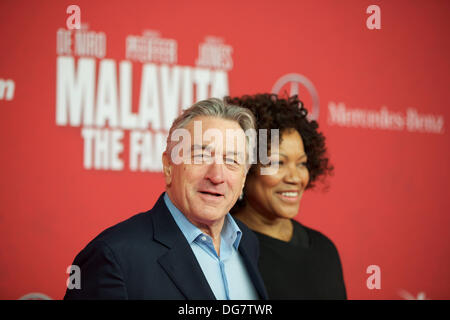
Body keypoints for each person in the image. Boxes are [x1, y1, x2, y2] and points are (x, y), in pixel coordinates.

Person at [64, 98, 268, 300]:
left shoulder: (248, 243)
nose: (216, 176)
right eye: (200, 156)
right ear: (168, 166)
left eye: (231, 161)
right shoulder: (112, 257)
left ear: (243, 178)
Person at [225, 94, 347, 299]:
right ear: (245, 168)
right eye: (278, 163)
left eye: (301, 163)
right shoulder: (222, 250)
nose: (295, 177)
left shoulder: (323, 249)